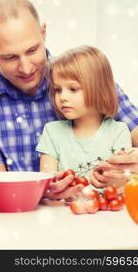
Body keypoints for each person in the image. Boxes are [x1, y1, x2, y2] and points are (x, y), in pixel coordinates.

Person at [0, 0, 138, 200]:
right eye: (10, 57)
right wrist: (42, 188)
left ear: (44, 33)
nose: (26, 67)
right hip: (19, 218)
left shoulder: (86, 78)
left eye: (32, 50)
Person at [36, 45, 132, 191]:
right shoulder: (52, 131)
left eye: (73, 89)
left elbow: (124, 181)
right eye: (58, 90)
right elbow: (47, 178)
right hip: (62, 212)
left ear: (98, 89)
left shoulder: (118, 132)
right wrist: (55, 183)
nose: (62, 97)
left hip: (106, 212)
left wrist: (109, 179)